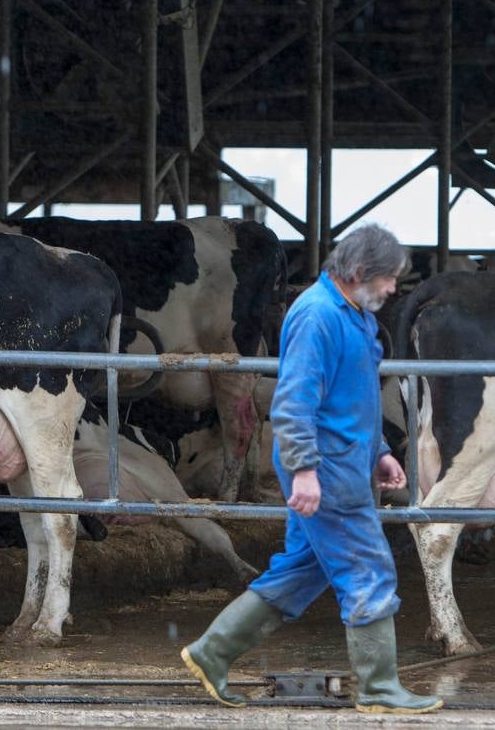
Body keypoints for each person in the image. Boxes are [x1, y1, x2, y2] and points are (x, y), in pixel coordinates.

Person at [181, 224, 443, 715]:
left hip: (346, 460)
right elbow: (294, 401)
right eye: (389, 279)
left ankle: (211, 652)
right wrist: (304, 471)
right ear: (361, 272)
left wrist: (381, 450)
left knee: (301, 572)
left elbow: (354, 398)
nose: (392, 290)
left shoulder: (354, 316)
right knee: (368, 568)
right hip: (327, 468)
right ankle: (380, 688)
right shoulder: (318, 315)